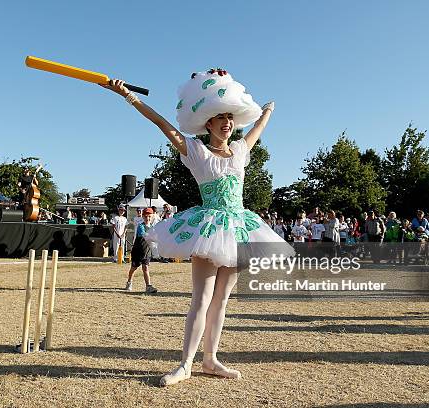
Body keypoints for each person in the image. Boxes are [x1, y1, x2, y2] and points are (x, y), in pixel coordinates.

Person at [101, 69, 294, 386]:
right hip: (208, 227)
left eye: (230, 118)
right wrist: (128, 96)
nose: (227, 123)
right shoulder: (196, 151)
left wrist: (268, 110)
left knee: (222, 301)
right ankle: (186, 364)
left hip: (239, 229)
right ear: (208, 123)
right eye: (221, 119)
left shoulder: (242, 151)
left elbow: (257, 128)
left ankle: (210, 359)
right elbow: (161, 123)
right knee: (201, 300)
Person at [124, 207, 158, 294]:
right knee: (133, 268)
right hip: (138, 250)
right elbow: (144, 235)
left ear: (152, 216)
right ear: (143, 217)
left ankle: (148, 286)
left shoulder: (153, 227)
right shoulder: (141, 226)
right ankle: (129, 282)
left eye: (149, 216)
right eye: (146, 216)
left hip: (147, 251)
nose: (148, 218)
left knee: (145, 268)